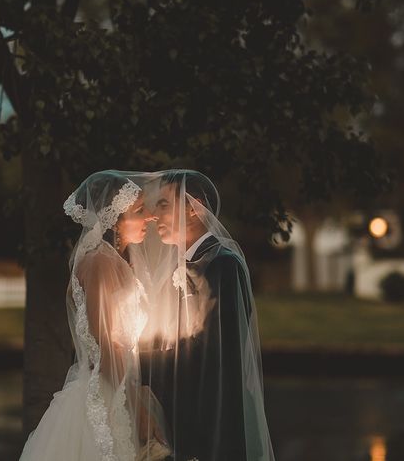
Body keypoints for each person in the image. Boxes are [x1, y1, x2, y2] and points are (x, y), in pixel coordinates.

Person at [19, 170, 170, 461]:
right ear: (114, 219)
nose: (150, 217)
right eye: (139, 211)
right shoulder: (99, 261)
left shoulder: (113, 261)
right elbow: (103, 342)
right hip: (106, 393)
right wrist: (136, 407)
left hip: (120, 384)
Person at [141, 169, 276, 461]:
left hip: (216, 425)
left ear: (193, 206)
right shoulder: (178, 270)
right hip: (184, 419)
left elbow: (213, 352)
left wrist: (137, 363)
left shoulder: (222, 265)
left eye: (163, 204)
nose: (153, 214)